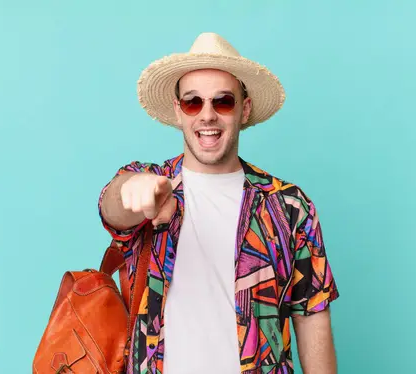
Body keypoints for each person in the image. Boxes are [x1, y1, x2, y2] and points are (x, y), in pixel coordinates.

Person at [98, 32, 340, 374]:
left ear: (245, 109)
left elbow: (312, 315)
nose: (207, 115)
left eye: (223, 101)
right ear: (178, 111)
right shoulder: (152, 182)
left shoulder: (289, 206)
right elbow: (112, 207)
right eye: (193, 102)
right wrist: (133, 190)